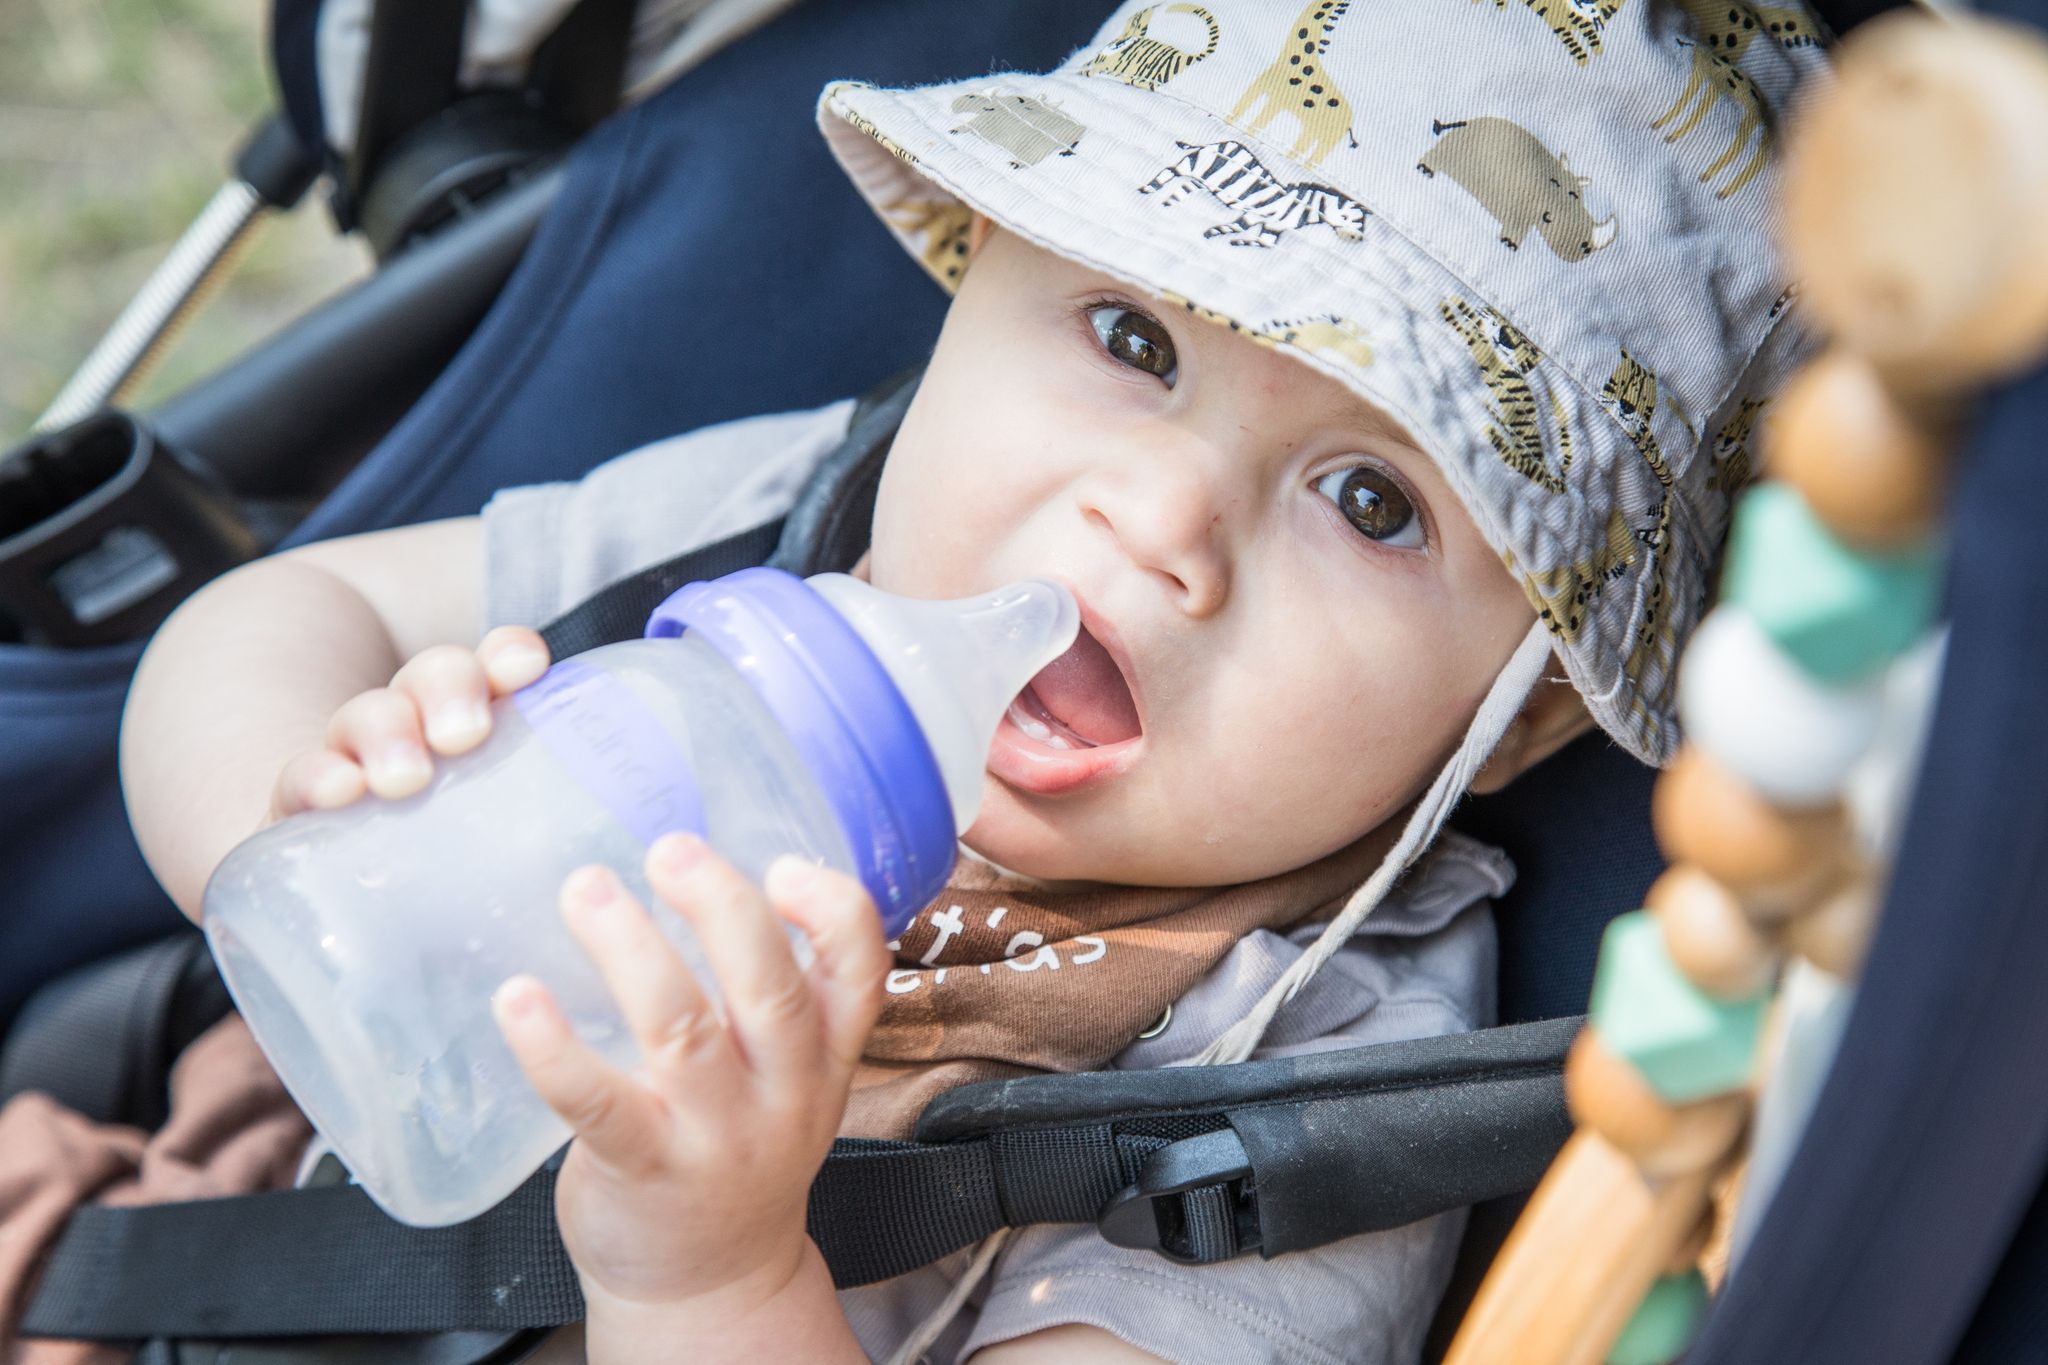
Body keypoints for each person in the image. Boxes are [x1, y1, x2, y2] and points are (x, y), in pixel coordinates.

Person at [104, 1, 1827, 1361]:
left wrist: (708, 1274)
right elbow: (270, 615)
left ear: (1517, 714)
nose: (1160, 523)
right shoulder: (764, 532)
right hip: (197, 1231)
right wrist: (302, 800)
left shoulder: (1301, 1081)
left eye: (1372, 502)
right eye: (1133, 341)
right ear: (960, 289)